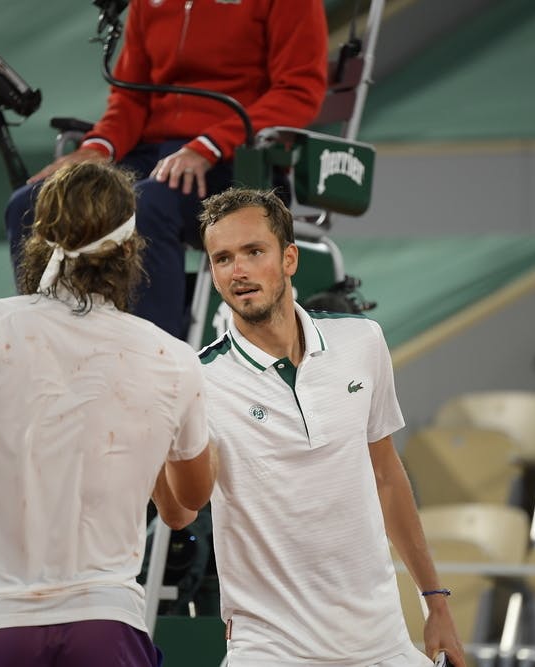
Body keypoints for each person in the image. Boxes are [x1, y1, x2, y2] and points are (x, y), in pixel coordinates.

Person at [0, 161, 216, 667]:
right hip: (107, 630)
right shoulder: (172, 358)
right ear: (131, 250)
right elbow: (186, 506)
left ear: (38, 236)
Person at [197, 189, 468, 667]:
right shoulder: (197, 379)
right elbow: (176, 507)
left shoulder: (363, 341)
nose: (237, 271)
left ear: (289, 258)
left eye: (253, 252)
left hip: (381, 643)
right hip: (269, 650)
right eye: (222, 259)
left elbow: (386, 477)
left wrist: (436, 603)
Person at [5, 0, 329, 339]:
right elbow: (130, 97)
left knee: (145, 206)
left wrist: (208, 145)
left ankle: (156, 361)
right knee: (32, 204)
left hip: (238, 160)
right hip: (151, 153)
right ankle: (46, 346)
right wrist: (95, 149)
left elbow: (298, 90)